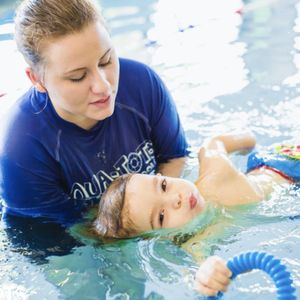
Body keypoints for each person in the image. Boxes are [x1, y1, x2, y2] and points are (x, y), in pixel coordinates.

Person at [0, 0, 189, 224]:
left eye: (106, 60)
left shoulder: (142, 85)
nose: (103, 86)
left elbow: (176, 158)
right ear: (38, 79)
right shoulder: (22, 146)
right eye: (78, 77)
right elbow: (51, 232)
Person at [92, 132, 299, 296]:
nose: (176, 199)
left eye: (163, 186)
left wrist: (248, 142)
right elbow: (196, 274)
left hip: (279, 160)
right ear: (159, 237)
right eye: (161, 216)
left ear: (162, 175)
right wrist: (207, 276)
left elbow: (216, 142)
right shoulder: (196, 242)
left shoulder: (215, 171)